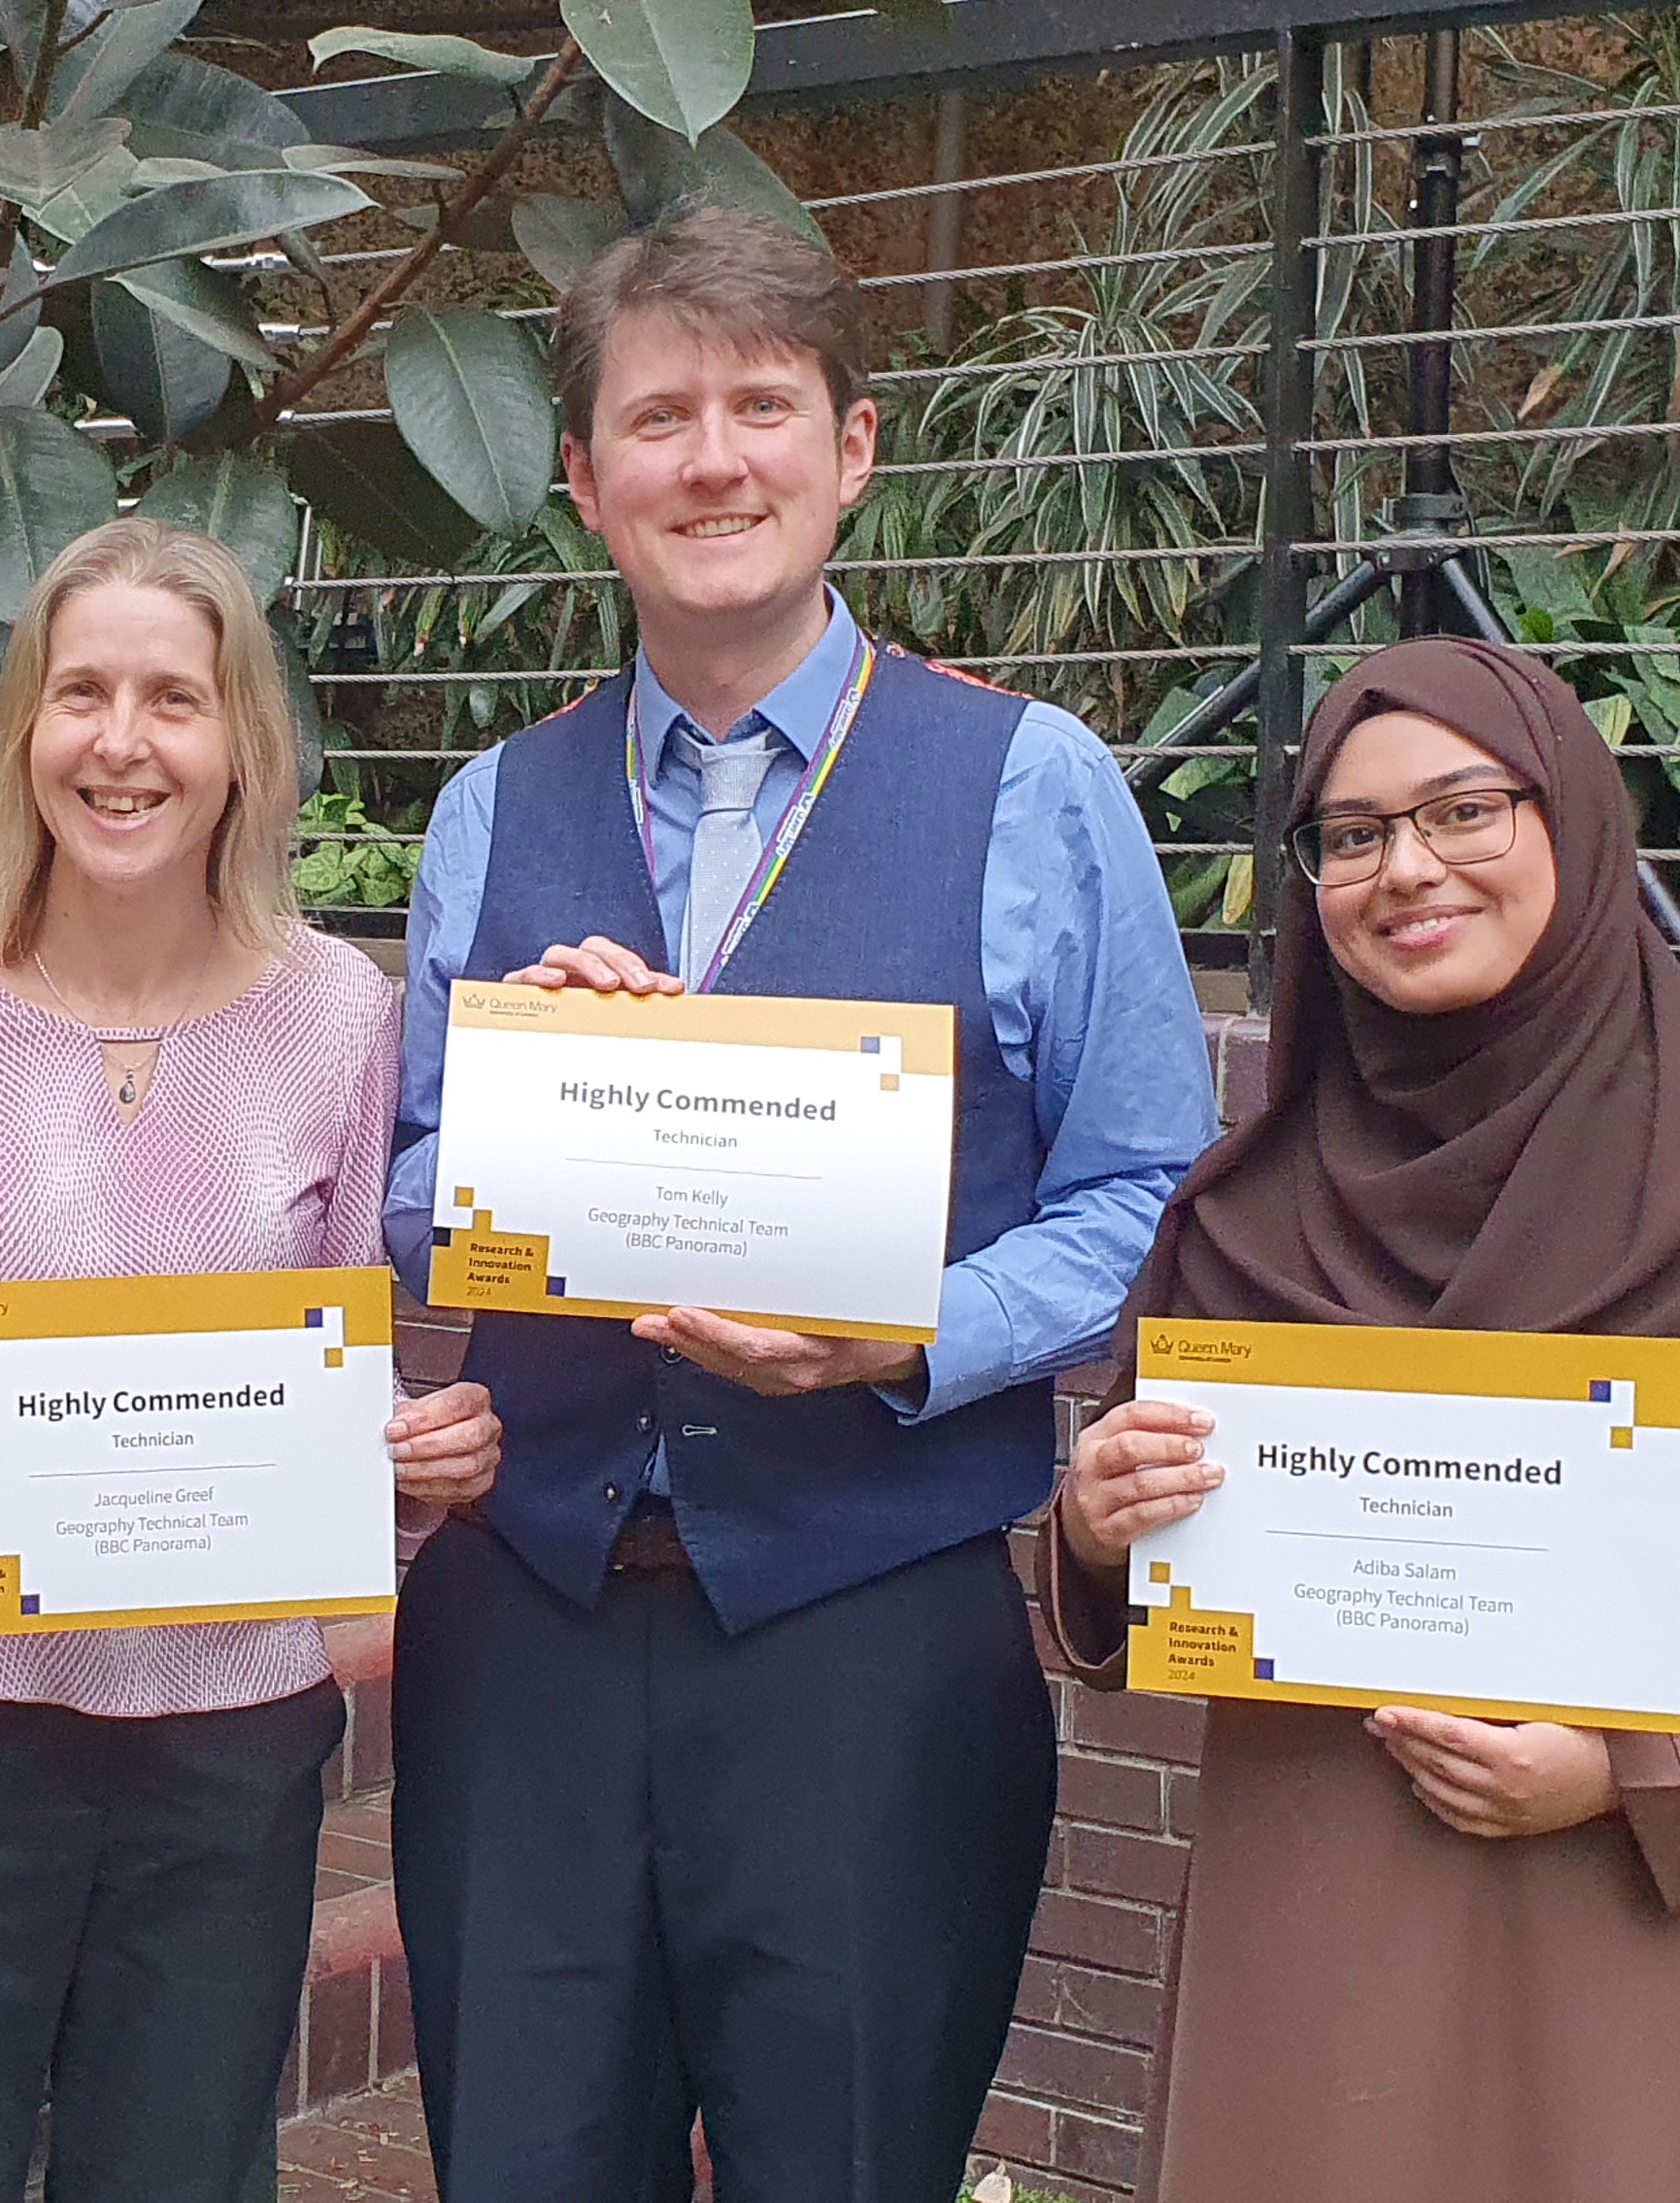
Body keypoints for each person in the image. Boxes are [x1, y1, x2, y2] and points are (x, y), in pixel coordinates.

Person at [383, 205, 1221, 2201]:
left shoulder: (1034, 785)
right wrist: (526, 1107)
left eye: (761, 406)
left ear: (851, 451)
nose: (713, 461)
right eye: (656, 417)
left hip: (871, 1634)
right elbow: (411, 1193)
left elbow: (1143, 1191)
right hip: (530, 1634)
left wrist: (915, 1337)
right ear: (584, 478)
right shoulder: (494, 806)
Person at [1046, 636, 1680, 2203]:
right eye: (1353, 833)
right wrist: (1100, 1522)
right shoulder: (1249, 1213)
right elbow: (1147, 1576)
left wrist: (1649, 1769)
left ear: (1573, 823)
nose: (1406, 869)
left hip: (1636, 1915)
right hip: (1314, 1920)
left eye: (1464, 811)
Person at [0, 518, 503, 2203]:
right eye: (80, 692)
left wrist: (408, 1456)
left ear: (243, 744)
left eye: (174, 698)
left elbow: (335, 1355)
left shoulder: (339, 1016)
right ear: (23, 726)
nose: (122, 742)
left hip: (224, 1755)